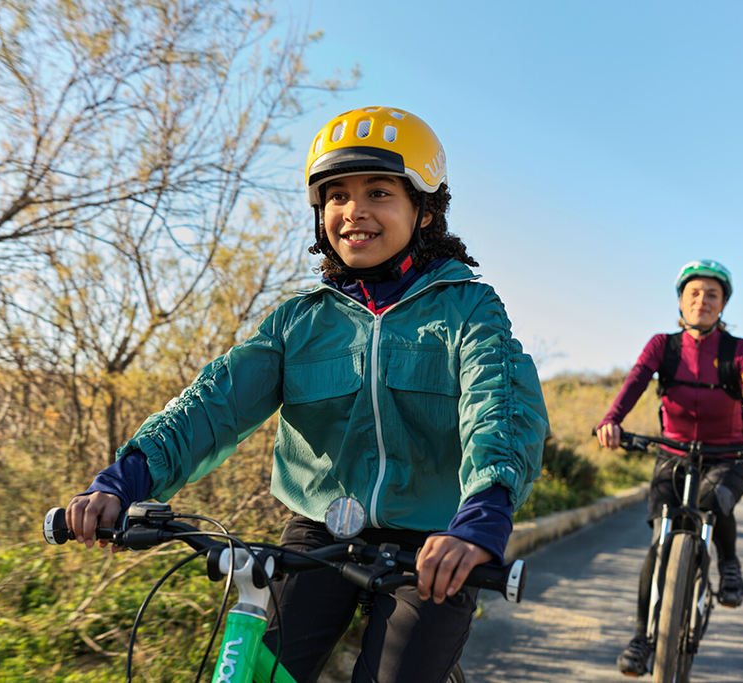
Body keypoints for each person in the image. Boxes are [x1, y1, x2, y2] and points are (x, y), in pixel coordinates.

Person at [65, 106, 550, 683]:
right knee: (264, 671)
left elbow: (498, 406)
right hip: (320, 530)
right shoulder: (299, 320)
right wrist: (126, 478)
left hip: (435, 536)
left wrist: (483, 513)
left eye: (379, 192)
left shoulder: (467, 306)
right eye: (337, 196)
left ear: (424, 210)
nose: (355, 212)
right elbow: (213, 402)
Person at [596, 259, 743, 677]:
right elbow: (635, 381)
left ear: (723, 304)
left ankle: (727, 561)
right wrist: (611, 420)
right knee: (659, 540)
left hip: (727, 455)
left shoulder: (739, 350)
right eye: (694, 293)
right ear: (681, 300)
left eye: (712, 294)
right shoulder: (662, 345)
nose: (702, 300)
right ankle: (641, 636)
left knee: (715, 500)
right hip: (673, 453)